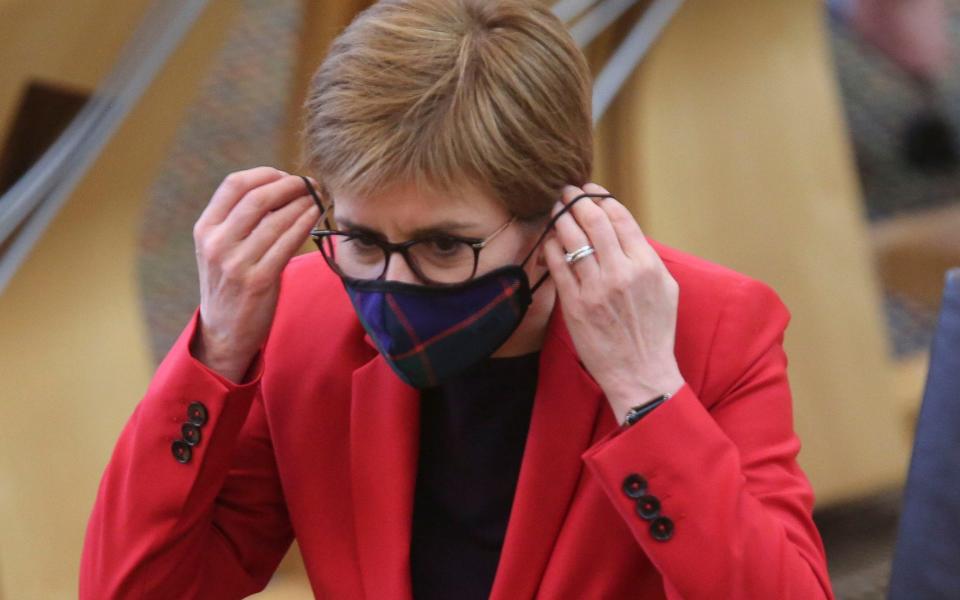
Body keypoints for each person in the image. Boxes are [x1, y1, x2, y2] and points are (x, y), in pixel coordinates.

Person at [79, 0, 835, 598]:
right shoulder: (304, 317)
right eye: (364, 240)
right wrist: (214, 355)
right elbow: (132, 590)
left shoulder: (706, 329)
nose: (392, 288)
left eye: (444, 246)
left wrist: (647, 395)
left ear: (557, 216)